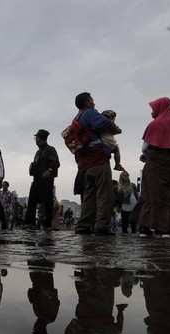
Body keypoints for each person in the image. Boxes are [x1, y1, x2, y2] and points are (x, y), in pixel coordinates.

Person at [131, 97, 170, 238]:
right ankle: (165, 229)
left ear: (160, 108)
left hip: (154, 164)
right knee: (167, 195)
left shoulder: (155, 124)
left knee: (150, 193)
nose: (152, 112)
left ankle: (145, 227)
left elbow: (145, 146)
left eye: (153, 109)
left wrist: (146, 155)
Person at [71, 93, 116, 235]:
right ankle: (102, 225)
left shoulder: (76, 118)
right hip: (98, 158)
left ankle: (84, 225)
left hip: (85, 162)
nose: (94, 103)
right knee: (105, 193)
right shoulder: (90, 113)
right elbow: (104, 123)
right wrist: (115, 127)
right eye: (92, 100)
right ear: (87, 103)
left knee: (89, 195)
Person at [24, 129, 60, 230]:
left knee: (48, 202)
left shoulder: (50, 149)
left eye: (36, 138)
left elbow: (56, 162)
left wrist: (49, 170)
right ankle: (29, 223)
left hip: (47, 180)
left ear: (39, 138)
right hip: (36, 179)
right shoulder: (38, 152)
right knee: (32, 200)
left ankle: (47, 224)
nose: (35, 140)